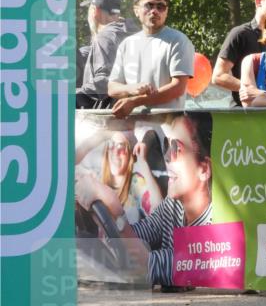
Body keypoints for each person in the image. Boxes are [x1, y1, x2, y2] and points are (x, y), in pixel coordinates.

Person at [75, 113, 213, 291]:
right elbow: (131, 240)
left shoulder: (215, 226)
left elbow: (146, 267)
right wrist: (101, 206)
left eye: (176, 148)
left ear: (204, 169)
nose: (166, 156)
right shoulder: (174, 206)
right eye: (166, 145)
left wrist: (115, 211)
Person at [107, 0, 195, 119]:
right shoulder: (127, 44)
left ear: (167, 11)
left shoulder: (178, 40)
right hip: (132, 126)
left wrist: (135, 101)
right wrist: (132, 89)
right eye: (149, 5)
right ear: (136, 10)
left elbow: (178, 88)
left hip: (168, 126)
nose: (154, 11)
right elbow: (112, 88)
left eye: (160, 6)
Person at [77, 0, 130, 109]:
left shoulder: (104, 37)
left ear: (95, 11)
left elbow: (104, 81)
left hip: (110, 114)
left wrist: (72, 98)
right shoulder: (131, 32)